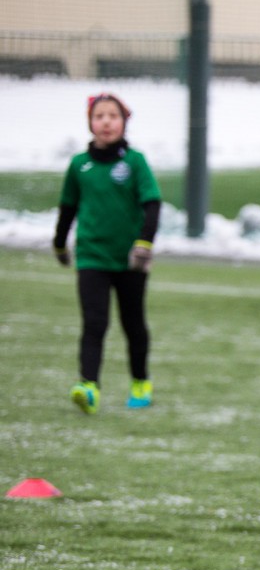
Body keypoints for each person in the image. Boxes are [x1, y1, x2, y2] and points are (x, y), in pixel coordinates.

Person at [52, 92, 162, 414]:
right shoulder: (79, 166)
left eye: (112, 116)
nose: (106, 122)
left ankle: (140, 381)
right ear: (90, 123)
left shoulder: (135, 162)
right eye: (99, 116)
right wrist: (60, 243)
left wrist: (144, 243)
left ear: (124, 122)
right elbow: (68, 208)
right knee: (94, 322)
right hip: (91, 257)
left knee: (133, 322)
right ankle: (89, 386)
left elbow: (152, 204)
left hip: (130, 259)